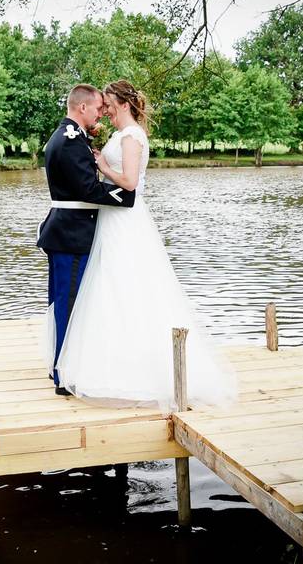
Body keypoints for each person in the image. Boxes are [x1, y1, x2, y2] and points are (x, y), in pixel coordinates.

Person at [54, 80, 237, 411]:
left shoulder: (133, 136)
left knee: (130, 287)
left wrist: (102, 167)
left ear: (123, 104)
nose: (105, 110)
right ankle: (108, 363)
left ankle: (140, 371)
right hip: (111, 220)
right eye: (102, 105)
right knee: (109, 290)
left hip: (126, 219)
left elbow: (130, 184)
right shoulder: (117, 135)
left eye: (108, 104)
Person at [38, 84, 136, 396]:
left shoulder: (69, 136)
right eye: (96, 109)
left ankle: (60, 367)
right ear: (82, 108)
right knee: (68, 306)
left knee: (62, 304)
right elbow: (87, 190)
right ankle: (64, 377)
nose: (100, 114)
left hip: (63, 231)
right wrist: (128, 197)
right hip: (72, 234)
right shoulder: (69, 141)